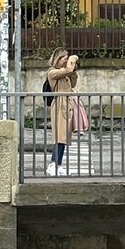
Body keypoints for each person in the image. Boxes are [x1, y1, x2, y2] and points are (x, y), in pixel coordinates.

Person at [44, 47, 80, 176]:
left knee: (65, 137)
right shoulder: (52, 72)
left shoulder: (65, 73)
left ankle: (58, 164)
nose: (66, 61)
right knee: (60, 135)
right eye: (65, 58)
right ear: (58, 59)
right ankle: (53, 163)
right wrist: (73, 60)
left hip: (67, 103)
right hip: (59, 104)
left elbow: (73, 83)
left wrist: (74, 71)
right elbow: (68, 70)